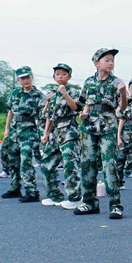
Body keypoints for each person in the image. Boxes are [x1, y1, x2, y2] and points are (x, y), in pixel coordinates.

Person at [77, 49, 128, 219]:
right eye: (107, 60)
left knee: (109, 165)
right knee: (87, 164)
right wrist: (84, 112)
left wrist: (123, 92)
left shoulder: (117, 82)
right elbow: (84, 101)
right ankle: (89, 203)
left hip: (108, 127)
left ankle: (115, 205)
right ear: (97, 63)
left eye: (112, 60)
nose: (111, 63)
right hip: (89, 127)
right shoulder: (89, 81)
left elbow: (123, 107)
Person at [41, 63, 83, 208]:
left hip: (68, 129)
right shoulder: (53, 94)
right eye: (57, 74)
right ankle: (54, 195)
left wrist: (65, 94)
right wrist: (46, 133)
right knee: (46, 163)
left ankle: (75, 197)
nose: (60, 76)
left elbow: (76, 107)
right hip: (55, 131)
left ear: (69, 77)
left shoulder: (73, 91)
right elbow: (49, 115)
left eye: (64, 74)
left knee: (69, 164)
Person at [2, 66, 45, 203]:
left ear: (32, 77)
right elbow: (10, 111)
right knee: (13, 160)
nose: (25, 80)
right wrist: (7, 129)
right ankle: (15, 187)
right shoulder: (15, 93)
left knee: (26, 160)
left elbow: (43, 113)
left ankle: (32, 191)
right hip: (15, 130)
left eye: (27, 77)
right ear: (18, 80)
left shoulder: (38, 95)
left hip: (29, 131)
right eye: (22, 78)